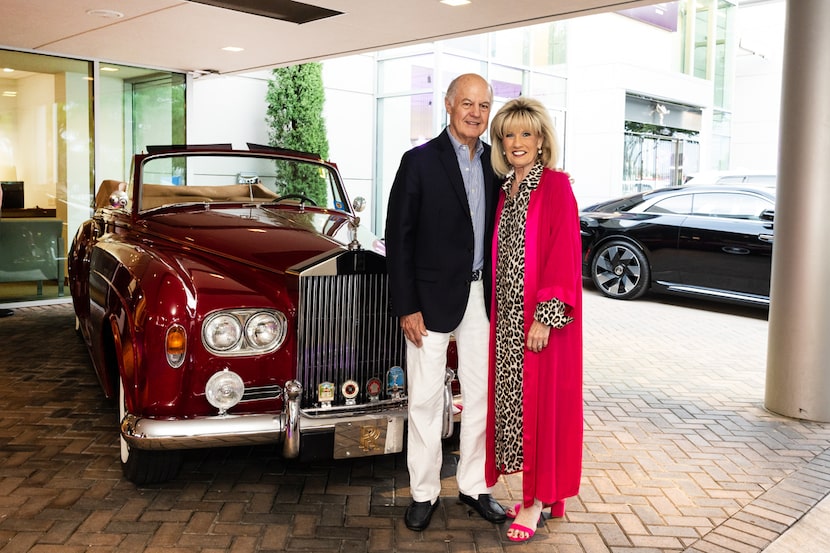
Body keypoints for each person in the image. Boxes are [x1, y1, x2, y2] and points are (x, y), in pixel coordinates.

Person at [385, 73, 505, 531]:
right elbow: (400, 238)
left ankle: (475, 486)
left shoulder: (496, 164)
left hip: (481, 297)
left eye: (484, 105)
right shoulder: (418, 162)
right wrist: (406, 305)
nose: (476, 113)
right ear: (449, 105)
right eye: (467, 103)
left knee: (478, 397)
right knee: (426, 399)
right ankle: (423, 492)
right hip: (428, 302)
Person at [485, 97, 583, 542]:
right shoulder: (506, 189)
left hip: (541, 321)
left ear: (542, 140)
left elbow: (563, 255)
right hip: (507, 321)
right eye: (509, 134)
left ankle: (534, 503)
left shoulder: (556, 186)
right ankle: (550, 495)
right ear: (500, 142)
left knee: (542, 409)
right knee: (520, 411)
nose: (517, 142)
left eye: (527, 133)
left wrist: (544, 316)